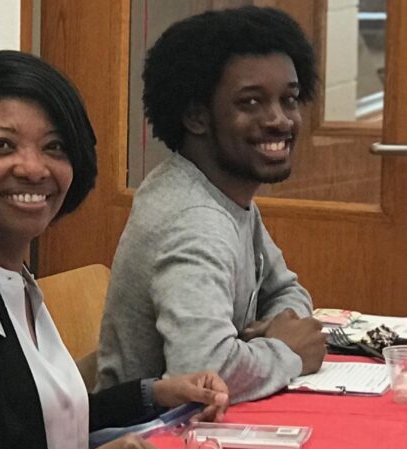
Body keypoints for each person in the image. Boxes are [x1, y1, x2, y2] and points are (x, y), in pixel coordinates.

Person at [0, 50, 229, 449]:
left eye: (54, 147)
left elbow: (21, 421)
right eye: (1, 145)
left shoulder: (6, 273)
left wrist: (152, 394)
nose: (34, 168)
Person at [96, 6, 327, 403]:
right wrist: (287, 351)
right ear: (196, 117)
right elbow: (202, 372)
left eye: (289, 99)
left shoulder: (222, 193)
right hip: (148, 442)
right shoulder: (194, 220)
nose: (279, 120)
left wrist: (277, 327)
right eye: (251, 102)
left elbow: (287, 290)